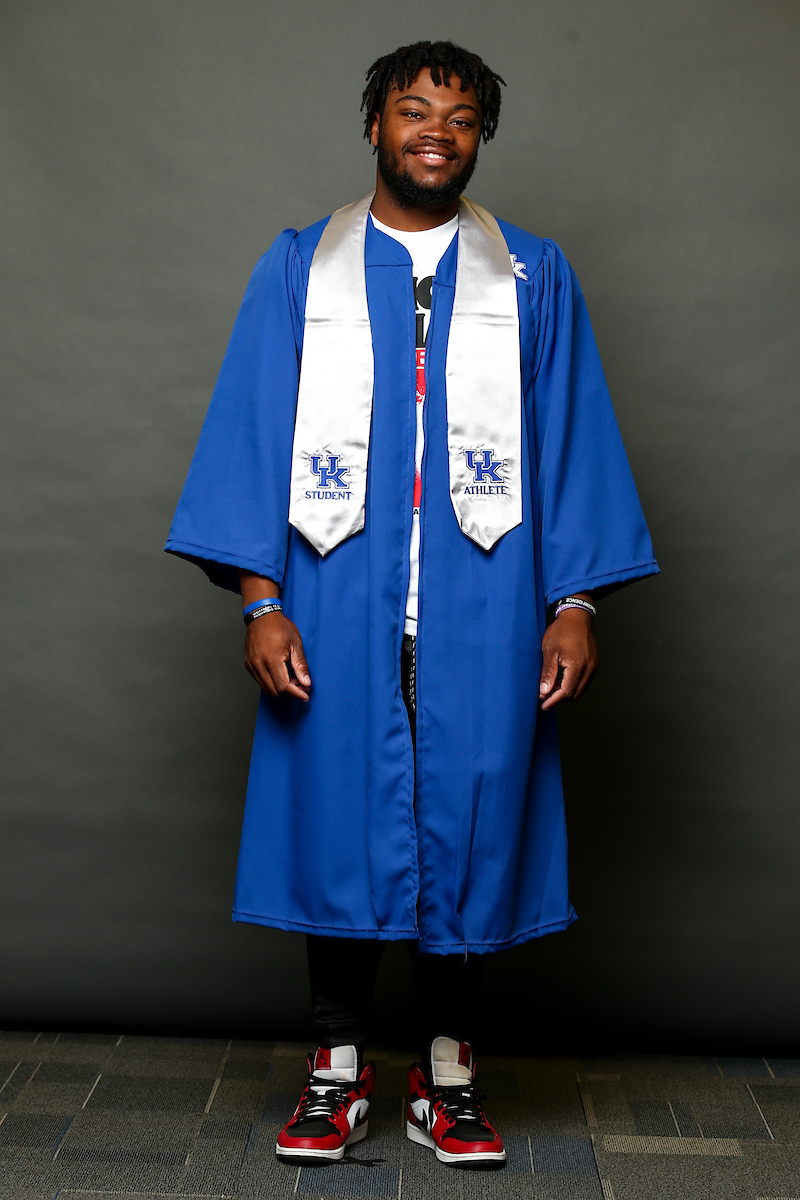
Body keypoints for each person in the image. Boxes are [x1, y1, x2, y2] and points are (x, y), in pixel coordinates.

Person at [165, 40, 658, 1170]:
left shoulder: (532, 274)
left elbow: (570, 438)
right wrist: (260, 602)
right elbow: (252, 429)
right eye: (411, 108)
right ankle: (335, 1073)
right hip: (337, 598)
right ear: (373, 125)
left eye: (461, 113)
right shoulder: (300, 266)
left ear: (480, 135)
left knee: (472, 826)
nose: (435, 127)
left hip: (486, 604)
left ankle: (447, 1078)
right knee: (337, 818)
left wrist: (573, 600)